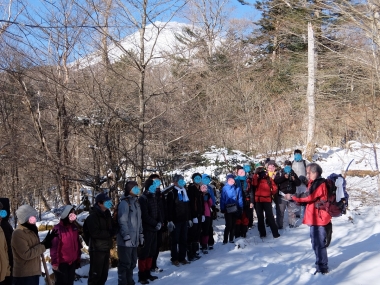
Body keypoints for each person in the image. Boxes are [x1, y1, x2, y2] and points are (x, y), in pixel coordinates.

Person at [285, 163, 331, 275]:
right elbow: (309, 198)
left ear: (315, 173)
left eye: (308, 172)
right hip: (316, 217)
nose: (307, 174)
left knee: (318, 243)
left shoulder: (319, 184)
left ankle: (322, 268)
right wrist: (296, 199)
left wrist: (292, 196)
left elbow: (308, 196)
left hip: (318, 219)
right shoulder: (314, 183)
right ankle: (320, 264)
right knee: (316, 242)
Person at [12, 205, 58, 285]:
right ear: (25, 218)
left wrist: (46, 241)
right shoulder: (18, 233)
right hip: (24, 275)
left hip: (33, 272)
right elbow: (26, 254)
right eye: (32, 217)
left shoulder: (31, 230)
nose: (34, 219)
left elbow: (35, 247)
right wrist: (44, 246)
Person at [116, 181, 144, 285]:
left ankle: (130, 281)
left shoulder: (136, 202)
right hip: (125, 241)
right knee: (125, 263)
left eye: (138, 187)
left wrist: (141, 235)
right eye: (135, 188)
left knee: (132, 263)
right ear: (129, 190)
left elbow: (139, 221)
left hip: (135, 239)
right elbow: (122, 221)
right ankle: (123, 282)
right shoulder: (124, 203)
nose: (138, 189)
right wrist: (126, 237)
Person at [86, 193, 115, 285]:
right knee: (95, 276)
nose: (109, 203)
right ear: (100, 203)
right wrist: (109, 233)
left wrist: (114, 230)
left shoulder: (107, 214)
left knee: (104, 275)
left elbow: (112, 228)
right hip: (96, 249)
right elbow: (95, 233)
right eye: (107, 202)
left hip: (106, 247)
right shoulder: (92, 217)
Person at [138, 179, 162, 284]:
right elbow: (145, 215)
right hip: (146, 228)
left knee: (152, 252)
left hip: (154, 229)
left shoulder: (154, 197)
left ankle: (148, 273)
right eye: (151, 187)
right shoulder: (143, 199)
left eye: (154, 187)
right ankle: (142, 275)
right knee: (144, 253)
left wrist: (160, 221)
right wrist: (155, 223)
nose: (153, 189)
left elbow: (158, 210)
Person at [50, 205, 82, 285]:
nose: (73, 217)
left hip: (72, 262)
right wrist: (55, 263)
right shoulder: (57, 229)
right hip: (62, 264)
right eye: (71, 215)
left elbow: (77, 244)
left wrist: (78, 258)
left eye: (74, 215)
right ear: (66, 215)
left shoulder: (74, 227)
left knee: (70, 282)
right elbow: (54, 248)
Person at [166, 174, 192, 266]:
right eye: (180, 181)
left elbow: (187, 206)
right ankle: (174, 258)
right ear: (175, 182)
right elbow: (169, 208)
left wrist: (189, 218)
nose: (182, 182)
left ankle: (182, 257)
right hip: (175, 220)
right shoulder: (171, 193)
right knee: (174, 240)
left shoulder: (185, 191)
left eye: (183, 180)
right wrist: (170, 220)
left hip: (184, 219)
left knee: (183, 239)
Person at [252, 161, 280, 238]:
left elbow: (275, 188)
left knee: (269, 216)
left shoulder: (268, 179)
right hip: (259, 200)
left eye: (262, 171)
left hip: (266, 200)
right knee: (261, 217)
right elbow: (254, 184)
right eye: (260, 171)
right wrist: (255, 173)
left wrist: (270, 193)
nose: (262, 173)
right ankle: (264, 233)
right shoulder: (256, 178)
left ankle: (274, 233)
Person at [274, 161, 301, 229]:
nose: (288, 167)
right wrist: (284, 177)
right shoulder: (280, 172)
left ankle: (292, 224)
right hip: (282, 195)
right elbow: (276, 181)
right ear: (284, 165)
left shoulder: (293, 173)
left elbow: (298, 183)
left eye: (289, 165)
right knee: (280, 211)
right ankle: (279, 225)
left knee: (292, 212)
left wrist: (294, 179)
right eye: (286, 165)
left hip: (292, 195)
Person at [148, 174, 165, 273]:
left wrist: (163, 221)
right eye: (155, 182)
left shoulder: (160, 194)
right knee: (151, 246)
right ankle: (149, 266)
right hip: (151, 225)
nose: (157, 184)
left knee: (157, 245)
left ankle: (154, 265)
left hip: (160, 222)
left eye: (158, 181)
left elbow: (162, 209)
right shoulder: (148, 195)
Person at [220, 174, 243, 244]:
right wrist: (222, 208)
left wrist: (240, 207)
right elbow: (222, 199)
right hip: (227, 208)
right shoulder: (224, 188)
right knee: (228, 224)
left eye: (232, 180)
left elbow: (240, 198)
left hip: (235, 208)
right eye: (229, 180)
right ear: (227, 180)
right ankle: (225, 240)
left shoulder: (237, 188)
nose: (231, 181)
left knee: (233, 224)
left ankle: (231, 239)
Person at [186, 173, 203, 261]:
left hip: (199, 214)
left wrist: (202, 213)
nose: (198, 180)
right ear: (193, 179)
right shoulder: (191, 189)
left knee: (197, 234)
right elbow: (192, 204)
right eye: (196, 178)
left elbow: (201, 203)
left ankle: (195, 252)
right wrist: (193, 216)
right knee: (192, 234)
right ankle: (190, 254)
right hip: (194, 215)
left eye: (199, 178)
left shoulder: (199, 189)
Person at [234, 166, 253, 238]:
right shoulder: (234, 181)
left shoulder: (247, 181)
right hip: (237, 201)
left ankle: (244, 233)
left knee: (245, 218)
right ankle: (237, 233)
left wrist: (251, 201)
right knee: (238, 217)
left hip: (246, 201)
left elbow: (251, 192)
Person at [201, 174, 218, 250]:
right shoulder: (199, 188)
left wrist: (213, 207)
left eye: (208, 179)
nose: (206, 181)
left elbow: (212, 199)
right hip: (201, 212)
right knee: (203, 229)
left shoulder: (210, 188)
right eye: (205, 179)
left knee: (209, 228)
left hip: (209, 210)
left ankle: (210, 242)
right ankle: (203, 244)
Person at [292, 149, 308, 218]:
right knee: (296, 199)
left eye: (299, 154)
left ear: (301, 155)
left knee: (305, 199)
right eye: (296, 154)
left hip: (303, 184)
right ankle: (297, 214)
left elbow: (308, 172)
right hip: (295, 184)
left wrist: (306, 179)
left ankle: (306, 214)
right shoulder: (292, 163)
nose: (297, 156)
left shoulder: (305, 163)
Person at [0, 199, 13, 285]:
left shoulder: (1, 229)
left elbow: (6, 250)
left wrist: (7, 272)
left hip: (4, 275)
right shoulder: (4, 226)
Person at [200, 184, 213, 253]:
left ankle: (205, 244)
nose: (204, 190)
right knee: (202, 230)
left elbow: (211, 204)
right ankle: (202, 244)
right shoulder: (198, 195)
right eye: (203, 189)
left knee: (207, 230)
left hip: (207, 214)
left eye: (205, 189)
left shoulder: (208, 195)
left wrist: (208, 198)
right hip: (200, 214)